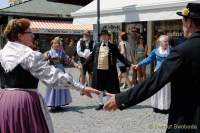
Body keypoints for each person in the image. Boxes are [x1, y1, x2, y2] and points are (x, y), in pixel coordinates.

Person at [104, 3, 200, 132]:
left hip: (187, 119)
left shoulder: (181, 51)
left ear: (189, 23)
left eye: (182, 21)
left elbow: (154, 81)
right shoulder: (170, 50)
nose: (182, 26)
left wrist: (120, 98)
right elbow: (149, 61)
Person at [0, 18, 100, 133]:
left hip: (4, 102)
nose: (33, 35)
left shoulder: (1, 54)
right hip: (24, 103)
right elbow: (53, 76)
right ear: (19, 35)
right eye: (29, 32)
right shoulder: (29, 56)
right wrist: (81, 87)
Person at [85, 30, 132, 110]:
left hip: (109, 71)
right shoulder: (97, 45)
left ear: (108, 36)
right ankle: (100, 103)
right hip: (98, 70)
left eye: (105, 35)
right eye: (102, 35)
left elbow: (120, 57)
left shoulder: (113, 46)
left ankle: (107, 103)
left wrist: (129, 64)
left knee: (110, 87)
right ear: (100, 37)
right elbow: (92, 56)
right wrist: (84, 64)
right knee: (98, 88)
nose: (103, 37)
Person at [134, 35, 171, 114]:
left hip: (167, 73)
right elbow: (149, 59)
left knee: (165, 90)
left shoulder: (171, 50)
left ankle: (165, 107)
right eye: (165, 41)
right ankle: (157, 107)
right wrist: (139, 64)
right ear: (160, 43)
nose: (167, 43)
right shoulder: (156, 51)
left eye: (167, 41)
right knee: (157, 90)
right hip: (157, 72)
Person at [44, 37, 80, 111]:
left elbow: (68, 60)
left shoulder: (62, 52)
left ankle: (59, 104)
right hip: (53, 72)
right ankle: (53, 104)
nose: (56, 45)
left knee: (61, 87)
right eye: (55, 43)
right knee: (53, 88)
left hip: (61, 71)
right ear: (52, 44)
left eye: (58, 43)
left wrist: (76, 64)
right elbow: (44, 59)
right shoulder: (49, 52)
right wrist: (46, 59)